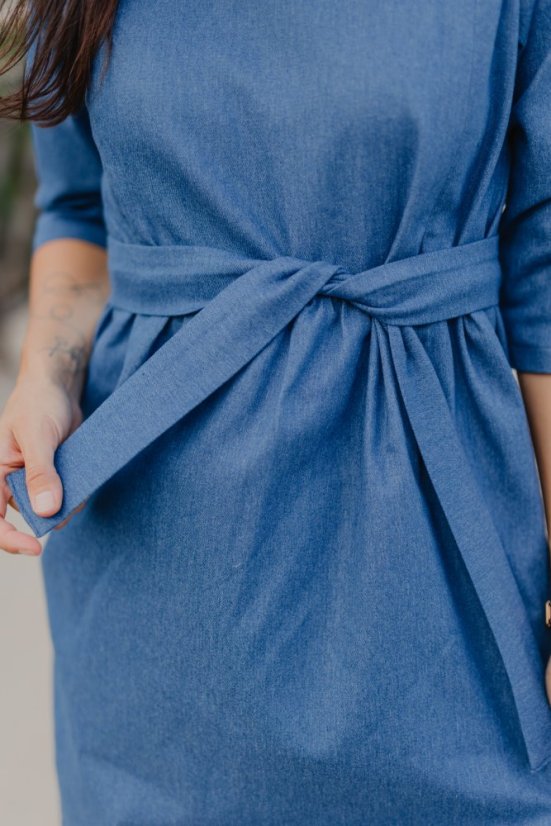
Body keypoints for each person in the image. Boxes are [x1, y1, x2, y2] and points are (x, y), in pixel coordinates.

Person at [1, 1, 551, 823]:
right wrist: (47, 377)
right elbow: (80, 214)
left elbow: (542, 269)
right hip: (159, 591)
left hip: (431, 567)